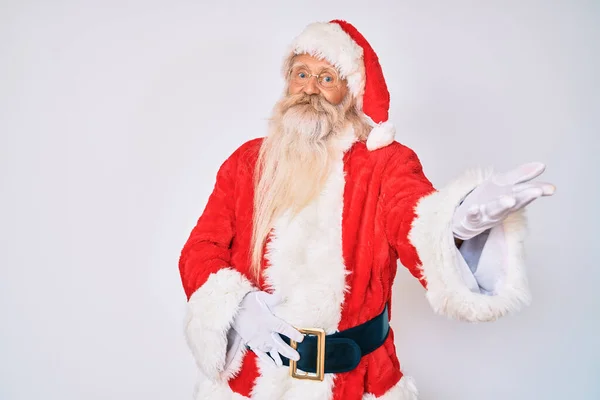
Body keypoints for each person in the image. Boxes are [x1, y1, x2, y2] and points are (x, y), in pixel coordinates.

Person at [178, 20, 555, 400]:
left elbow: (415, 218)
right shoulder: (247, 162)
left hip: (356, 384)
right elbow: (200, 249)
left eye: (326, 78)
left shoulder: (385, 165)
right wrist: (237, 307)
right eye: (301, 74)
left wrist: (457, 225)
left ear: (350, 93)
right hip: (252, 384)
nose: (309, 88)